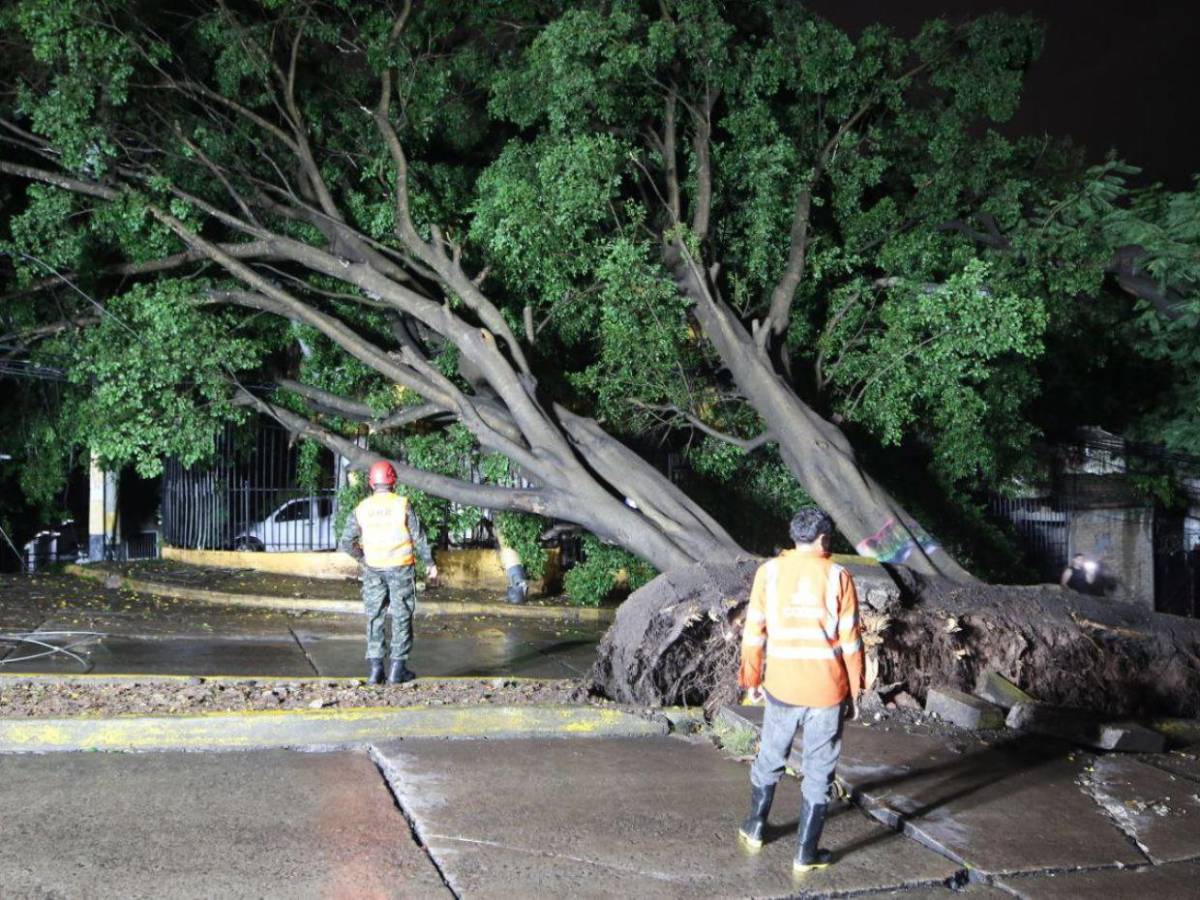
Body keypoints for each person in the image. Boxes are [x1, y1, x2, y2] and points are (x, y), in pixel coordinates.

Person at [737, 508, 864, 875]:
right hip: (826, 691)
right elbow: (851, 641)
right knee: (818, 770)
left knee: (771, 755)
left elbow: (753, 631)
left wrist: (752, 679)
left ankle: (756, 827)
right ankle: (805, 854)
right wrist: (855, 691)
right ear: (823, 539)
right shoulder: (839, 576)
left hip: (782, 685)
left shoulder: (769, 573)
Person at [338, 460, 437, 684]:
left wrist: (363, 559)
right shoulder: (402, 504)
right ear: (393, 481)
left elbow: (346, 541)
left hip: (373, 568)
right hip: (400, 567)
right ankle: (397, 669)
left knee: (374, 617)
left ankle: (375, 670)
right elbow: (418, 537)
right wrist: (430, 562)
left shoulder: (362, 508)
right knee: (402, 615)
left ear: (372, 482)